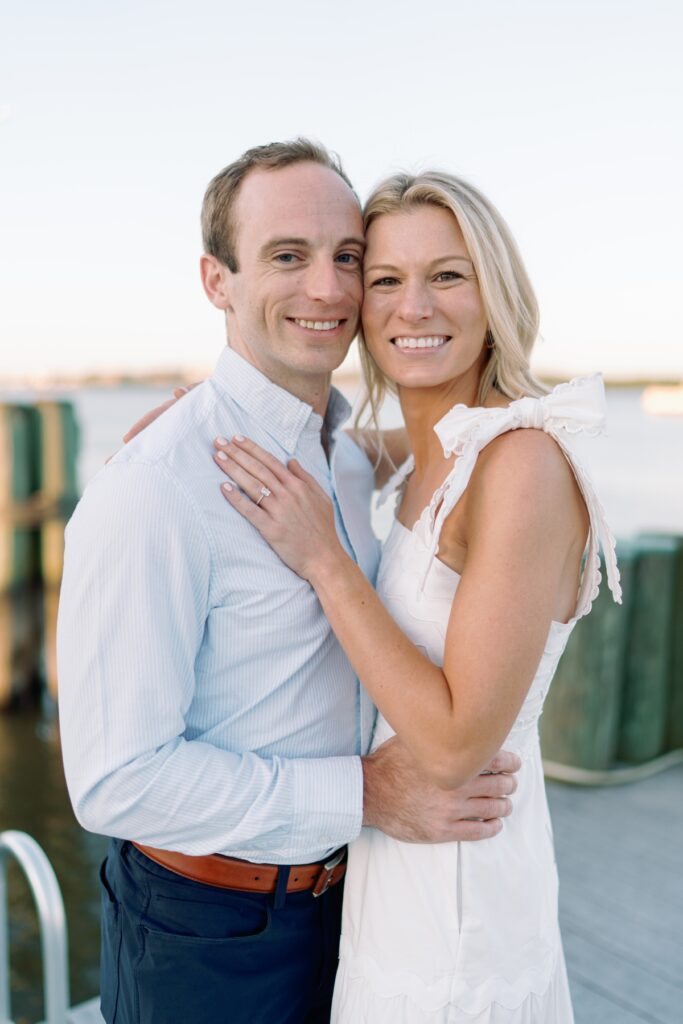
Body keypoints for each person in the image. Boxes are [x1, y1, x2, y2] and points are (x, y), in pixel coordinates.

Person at [56, 141, 520, 1024]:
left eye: (347, 258)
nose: (327, 289)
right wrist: (367, 793)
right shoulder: (156, 486)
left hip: (357, 909)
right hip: (208, 930)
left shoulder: (345, 456)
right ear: (216, 280)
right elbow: (115, 781)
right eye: (285, 257)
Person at [207, 169, 622, 1022]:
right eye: (386, 279)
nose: (412, 307)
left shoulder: (521, 467)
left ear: (494, 291)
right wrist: (210, 418)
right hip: (401, 868)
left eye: (447, 275)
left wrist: (326, 558)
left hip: (459, 893)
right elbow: (374, 446)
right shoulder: (440, 446)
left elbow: (452, 747)